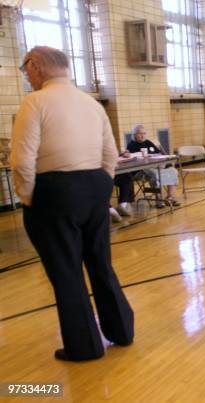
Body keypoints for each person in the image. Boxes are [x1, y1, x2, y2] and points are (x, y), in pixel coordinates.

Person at [10, 46, 134, 361]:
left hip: (55, 191)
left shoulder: (34, 101)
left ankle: (84, 346)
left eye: (26, 67)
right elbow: (110, 153)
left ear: (36, 66)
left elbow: (22, 160)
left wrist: (28, 198)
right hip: (95, 186)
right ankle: (122, 331)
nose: (25, 73)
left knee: (66, 271)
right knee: (100, 263)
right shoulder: (91, 103)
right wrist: (101, 185)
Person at [127, 124, 180, 207]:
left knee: (173, 170)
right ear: (134, 135)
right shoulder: (131, 145)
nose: (142, 135)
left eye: (144, 133)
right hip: (141, 170)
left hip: (155, 166)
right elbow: (132, 160)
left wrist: (156, 158)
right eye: (140, 133)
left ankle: (169, 197)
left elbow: (159, 153)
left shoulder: (148, 142)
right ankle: (158, 200)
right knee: (154, 174)